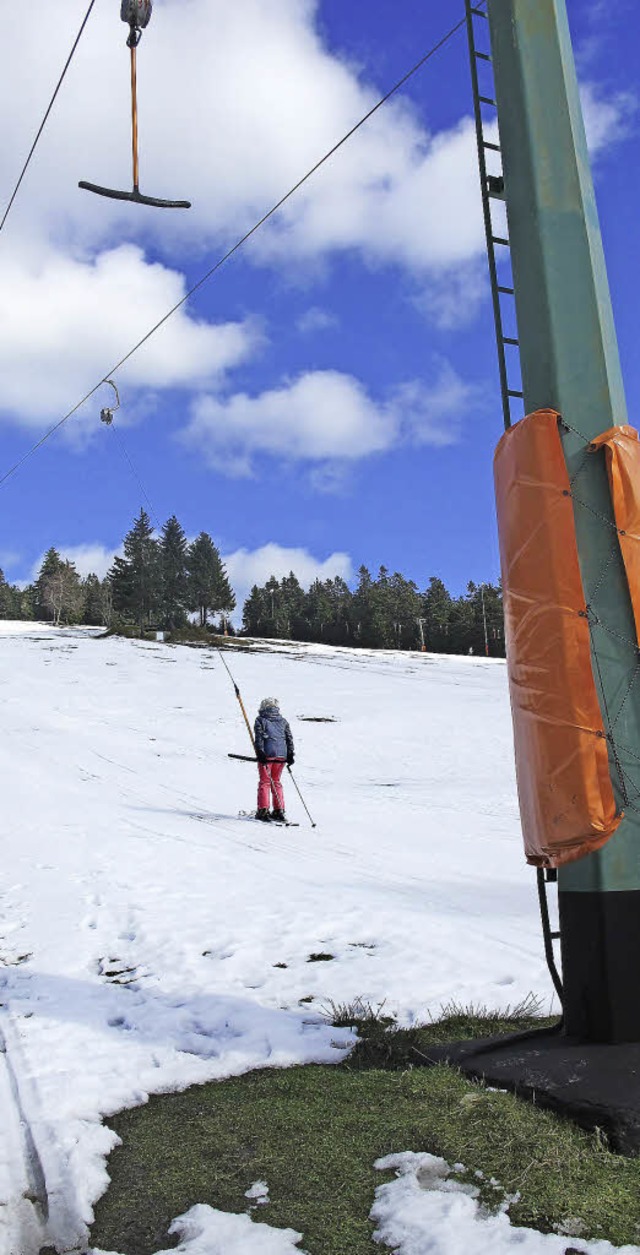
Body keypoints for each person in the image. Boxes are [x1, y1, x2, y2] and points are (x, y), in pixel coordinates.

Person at [254, 697, 294, 822]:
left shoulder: (260, 720)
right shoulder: (283, 721)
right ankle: (279, 810)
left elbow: (259, 738)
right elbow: (289, 738)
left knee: (265, 781)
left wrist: (260, 752)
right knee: (276, 781)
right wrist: (290, 754)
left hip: (267, 755)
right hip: (282, 756)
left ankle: (263, 810)